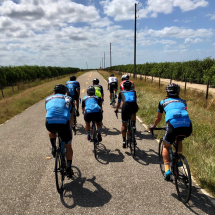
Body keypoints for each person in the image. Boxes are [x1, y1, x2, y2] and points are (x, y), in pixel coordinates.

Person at [150, 83, 192, 181]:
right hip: (187, 126)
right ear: (178, 92)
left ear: (167, 92)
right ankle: (178, 159)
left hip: (173, 125)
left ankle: (167, 170)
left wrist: (153, 126)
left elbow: (158, 118)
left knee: (165, 146)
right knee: (179, 138)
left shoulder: (163, 102)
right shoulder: (183, 102)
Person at [45, 84, 74, 177]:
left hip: (50, 122)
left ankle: (53, 146)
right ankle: (69, 168)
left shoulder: (47, 99)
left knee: (51, 129)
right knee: (68, 147)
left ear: (54, 92)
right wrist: (71, 127)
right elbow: (71, 116)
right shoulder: (68, 99)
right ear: (65, 92)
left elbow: (49, 111)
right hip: (63, 124)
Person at [115, 80, 139, 148]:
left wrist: (116, 110)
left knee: (124, 125)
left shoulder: (121, 92)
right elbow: (135, 100)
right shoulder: (134, 92)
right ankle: (133, 124)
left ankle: (124, 141)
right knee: (134, 112)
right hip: (133, 106)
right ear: (131, 86)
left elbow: (119, 103)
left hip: (125, 107)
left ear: (124, 87)